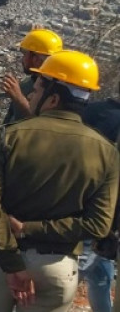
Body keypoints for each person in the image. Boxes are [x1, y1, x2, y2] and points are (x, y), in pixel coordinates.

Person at [0, 50, 119, 312]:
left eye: (38, 87)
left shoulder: (10, 137)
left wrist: (12, 264)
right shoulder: (107, 152)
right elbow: (98, 225)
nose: (30, 93)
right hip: (58, 267)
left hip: (2, 261)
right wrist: (31, 228)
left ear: (53, 98)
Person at [79, 80, 120, 312]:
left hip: (79, 207)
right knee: (82, 269)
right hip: (102, 214)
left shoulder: (90, 110)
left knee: (100, 275)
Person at [1, 28, 62, 124]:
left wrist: (19, 99)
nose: (23, 58)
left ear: (36, 59)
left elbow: (41, 129)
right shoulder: (27, 83)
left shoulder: (56, 92)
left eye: (24, 53)